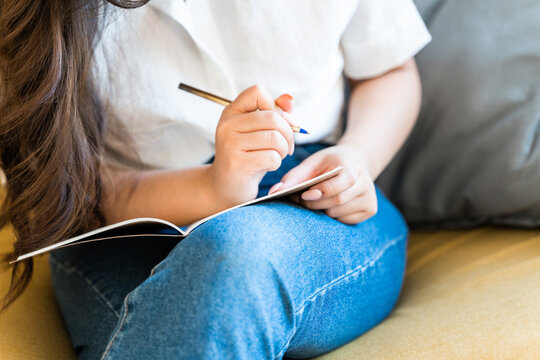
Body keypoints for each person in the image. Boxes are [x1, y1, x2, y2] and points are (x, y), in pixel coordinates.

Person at [0, 0, 431, 359]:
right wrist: (216, 188)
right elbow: (60, 191)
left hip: (311, 191)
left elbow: (389, 70)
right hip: (124, 222)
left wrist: (358, 156)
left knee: (236, 257)